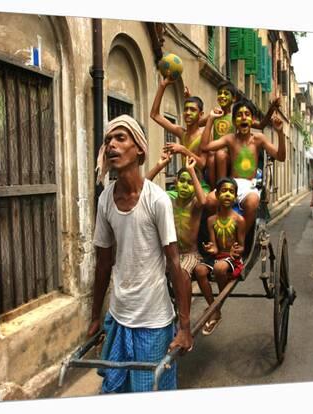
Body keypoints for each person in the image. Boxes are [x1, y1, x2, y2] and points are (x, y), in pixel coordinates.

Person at [89, 114, 193, 393]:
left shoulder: (157, 200)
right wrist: (95, 317)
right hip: (119, 316)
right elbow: (103, 263)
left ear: (139, 150)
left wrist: (184, 327)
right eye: (108, 140)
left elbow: (174, 263)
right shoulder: (105, 200)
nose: (112, 145)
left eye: (120, 138)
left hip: (153, 321)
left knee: (148, 396)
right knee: (113, 392)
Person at [199, 98, 286, 234]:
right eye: (239, 115)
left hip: (249, 186)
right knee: (209, 200)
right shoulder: (230, 139)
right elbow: (205, 146)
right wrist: (210, 119)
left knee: (252, 202)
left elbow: (281, 157)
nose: (243, 117)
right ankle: (216, 237)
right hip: (231, 184)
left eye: (247, 114)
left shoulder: (259, 139)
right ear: (234, 122)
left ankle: (241, 240)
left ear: (252, 120)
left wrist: (280, 133)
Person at [185, 81, 280, 185]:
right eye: (220, 93)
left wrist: (271, 109)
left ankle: (221, 185)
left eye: (226, 93)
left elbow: (261, 125)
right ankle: (214, 188)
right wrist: (189, 99)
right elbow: (194, 122)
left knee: (220, 155)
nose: (222, 96)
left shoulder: (237, 118)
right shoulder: (214, 115)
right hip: (215, 151)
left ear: (233, 98)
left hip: (230, 154)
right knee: (212, 157)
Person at [147, 152, 207, 286]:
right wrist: (159, 165)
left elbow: (203, 201)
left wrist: (191, 170)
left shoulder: (195, 205)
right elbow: (143, 188)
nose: (185, 185)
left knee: (182, 273)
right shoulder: (168, 201)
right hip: (169, 254)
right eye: (182, 181)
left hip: (189, 254)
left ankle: (184, 307)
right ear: (175, 182)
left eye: (190, 182)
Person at [195, 177, 245, 335]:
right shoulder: (211, 220)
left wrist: (236, 251)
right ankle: (214, 308)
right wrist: (211, 249)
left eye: (231, 192)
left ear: (236, 196)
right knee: (199, 270)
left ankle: (216, 308)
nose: (228, 195)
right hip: (218, 256)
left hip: (231, 258)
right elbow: (215, 247)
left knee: (219, 268)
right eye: (224, 191)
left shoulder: (239, 220)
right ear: (217, 195)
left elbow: (242, 246)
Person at [150, 76, 209, 193]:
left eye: (192, 110)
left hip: (199, 184)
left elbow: (202, 164)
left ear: (201, 114)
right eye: (186, 109)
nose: (188, 113)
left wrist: (182, 150)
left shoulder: (204, 135)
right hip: (183, 182)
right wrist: (163, 86)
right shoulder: (181, 132)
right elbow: (154, 115)